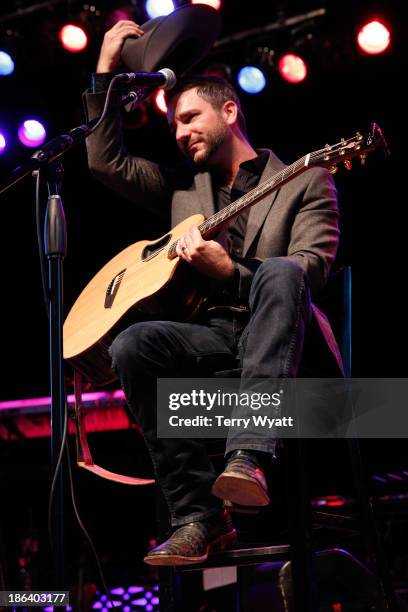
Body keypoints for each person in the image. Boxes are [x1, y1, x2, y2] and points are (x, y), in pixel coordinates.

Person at [83, 20, 342, 566]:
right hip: (218, 344)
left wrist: (229, 272)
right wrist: (106, 66)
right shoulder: (181, 190)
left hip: (293, 352)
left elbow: (312, 270)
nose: (178, 133)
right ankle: (200, 518)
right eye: (173, 125)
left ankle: (248, 454)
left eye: (189, 118)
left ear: (228, 112)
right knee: (133, 344)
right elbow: (104, 161)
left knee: (281, 272)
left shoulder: (306, 178)